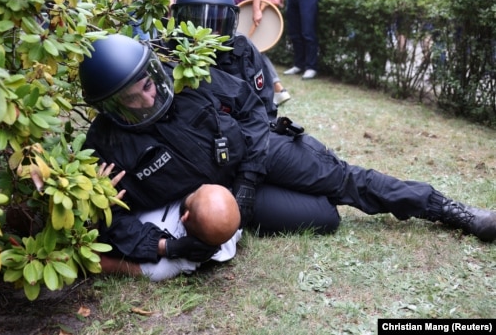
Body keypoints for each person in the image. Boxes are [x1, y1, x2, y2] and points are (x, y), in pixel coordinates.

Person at [79, 34, 496, 276]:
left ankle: (450, 210)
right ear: (110, 108)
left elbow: (253, 111)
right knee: (324, 219)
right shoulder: (108, 146)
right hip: (218, 194)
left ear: (152, 70)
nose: (148, 100)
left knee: (346, 181)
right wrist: (167, 248)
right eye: (131, 101)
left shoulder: (189, 79)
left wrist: (246, 183)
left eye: (148, 86)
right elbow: (112, 221)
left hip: (257, 156)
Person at [171, 0, 288, 112]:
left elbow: (264, 103)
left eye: (216, 25)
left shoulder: (243, 50)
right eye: (198, 25)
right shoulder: (167, 52)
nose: (207, 35)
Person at [99, 183, 243, 281]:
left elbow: (102, 262)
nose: (200, 185)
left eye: (195, 193)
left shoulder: (166, 266)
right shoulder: (225, 223)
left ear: (185, 216)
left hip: (115, 210)